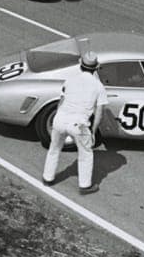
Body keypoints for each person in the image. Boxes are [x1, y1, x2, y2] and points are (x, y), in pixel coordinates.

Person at [41, 50, 107, 195]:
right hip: (79, 124)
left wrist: (58, 116)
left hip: (60, 119)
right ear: (96, 68)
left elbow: (61, 101)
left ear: (80, 65)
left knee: (54, 149)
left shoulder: (70, 80)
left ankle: (48, 177)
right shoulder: (98, 86)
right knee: (86, 153)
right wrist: (93, 132)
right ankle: (85, 185)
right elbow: (99, 113)